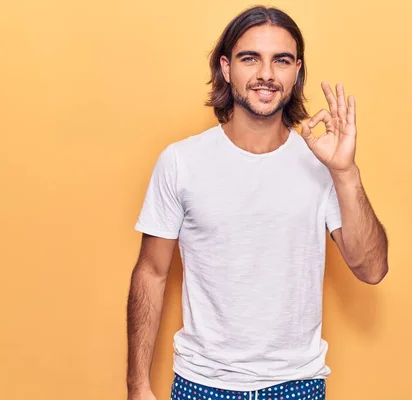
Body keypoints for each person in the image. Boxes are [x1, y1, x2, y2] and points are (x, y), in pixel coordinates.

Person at [126, 5, 389, 400]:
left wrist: (345, 172)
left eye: (280, 60)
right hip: (203, 384)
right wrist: (137, 385)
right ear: (226, 67)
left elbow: (371, 269)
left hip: (297, 384)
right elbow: (151, 272)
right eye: (251, 58)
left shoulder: (322, 165)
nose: (266, 74)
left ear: (297, 72)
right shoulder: (181, 162)